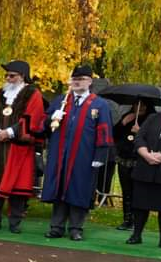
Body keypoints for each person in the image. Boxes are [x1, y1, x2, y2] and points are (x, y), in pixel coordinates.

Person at [41, 65, 113, 241]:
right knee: (59, 189)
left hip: (84, 156)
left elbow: (104, 131)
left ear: (89, 82)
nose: (76, 82)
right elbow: (44, 126)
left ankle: (76, 228)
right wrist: (52, 117)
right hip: (60, 154)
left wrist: (100, 156)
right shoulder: (61, 101)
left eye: (80, 79)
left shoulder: (99, 104)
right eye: (74, 79)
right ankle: (56, 226)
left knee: (79, 190)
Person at [0, 60, 45, 233]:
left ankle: (14, 223)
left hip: (19, 148)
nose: (8, 78)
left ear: (22, 76)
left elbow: (33, 118)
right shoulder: (0, 93)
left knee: (17, 186)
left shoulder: (33, 93)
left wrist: (9, 132)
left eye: (12, 75)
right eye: (7, 75)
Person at [129, 90, 161, 248]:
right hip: (145, 167)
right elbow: (140, 137)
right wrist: (145, 154)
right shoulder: (153, 117)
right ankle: (136, 235)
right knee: (140, 204)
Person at [112, 101, 151, 230]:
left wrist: (140, 132)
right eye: (138, 105)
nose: (141, 107)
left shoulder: (152, 119)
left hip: (141, 161)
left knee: (139, 192)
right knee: (126, 191)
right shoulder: (128, 116)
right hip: (124, 159)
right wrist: (123, 123)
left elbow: (155, 140)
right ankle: (127, 219)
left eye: (144, 105)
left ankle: (138, 222)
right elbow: (114, 135)